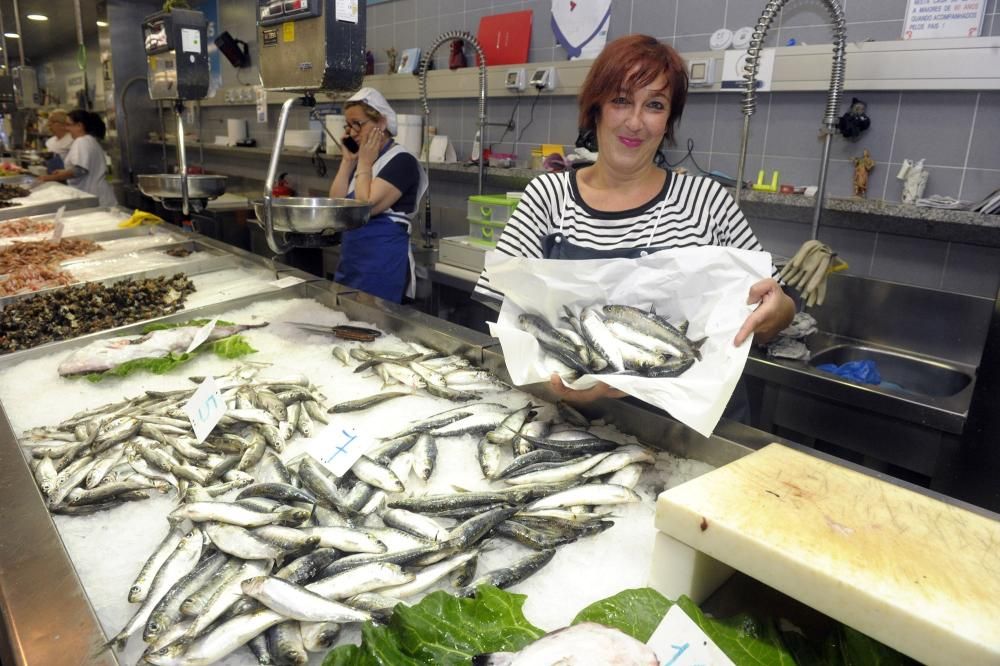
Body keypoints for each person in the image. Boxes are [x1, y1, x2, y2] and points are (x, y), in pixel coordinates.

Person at [474, 34, 794, 416]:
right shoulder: (549, 197)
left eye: (654, 105)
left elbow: (779, 306)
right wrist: (561, 379)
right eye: (621, 100)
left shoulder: (706, 201)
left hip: (689, 431)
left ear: (668, 122)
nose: (635, 121)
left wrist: (779, 311)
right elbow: (500, 312)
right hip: (577, 422)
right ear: (596, 109)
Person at [329, 87, 428, 303]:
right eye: (348, 126)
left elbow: (366, 206)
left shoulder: (402, 162)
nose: (353, 132)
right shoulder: (364, 159)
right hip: (353, 263)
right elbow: (336, 205)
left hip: (383, 269)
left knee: (378, 331)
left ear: (381, 123)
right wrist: (348, 161)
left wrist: (364, 162)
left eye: (358, 124)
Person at [37, 109, 117, 207]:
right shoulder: (88, 140)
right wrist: (63, 172)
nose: (66, 128)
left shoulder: (81, 141)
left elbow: (80, 170)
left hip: (95, 196)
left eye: (68, 124)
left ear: (79, 126)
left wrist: (50, 178)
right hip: (96, 195)